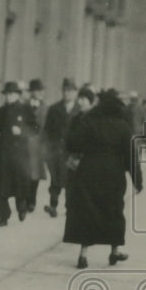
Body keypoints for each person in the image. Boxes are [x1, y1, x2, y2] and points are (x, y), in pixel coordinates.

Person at [64, 89, 142, 268]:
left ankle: (83, 256)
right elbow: (131, 156)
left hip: (88, 172)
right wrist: (138, 180)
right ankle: (114, 252)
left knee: (87, 212)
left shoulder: (89, 122)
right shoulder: (123, 127)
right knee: (113, 212)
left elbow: (71, 142)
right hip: (113, 175)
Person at [0, 81, 39, 225]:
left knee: (20, 182)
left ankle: (21, 207)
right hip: (4, 153)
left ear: (18, 95)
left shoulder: (25, 109)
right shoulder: (1, 111)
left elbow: (36, 129)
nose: (9, 97)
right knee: (3, 186)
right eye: (7, 94)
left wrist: (22, 132)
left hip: (20, 153)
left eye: (12, 94)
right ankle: (3, 217)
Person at [42, 78, 80, 217]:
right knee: (55, 179)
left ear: (76, 93)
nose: (67, 93)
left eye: (70, 91)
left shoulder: (79, 110)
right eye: (65, 90)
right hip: (56, 151)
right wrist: (46, 151)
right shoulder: (54, 109)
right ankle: (53, 206)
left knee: (71, 181)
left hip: (72, 152)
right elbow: (46, 131)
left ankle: (69, 207)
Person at [25, 79, 48, 211]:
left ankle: (32, 201)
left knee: (36, 174)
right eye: (38, 90)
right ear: (32, 92)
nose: (41, 93)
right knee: (24, 172)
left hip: (39, 144)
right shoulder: (24, 105)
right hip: (25, 143)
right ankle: (23, 199)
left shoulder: (46, 107)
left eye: (42, 90)